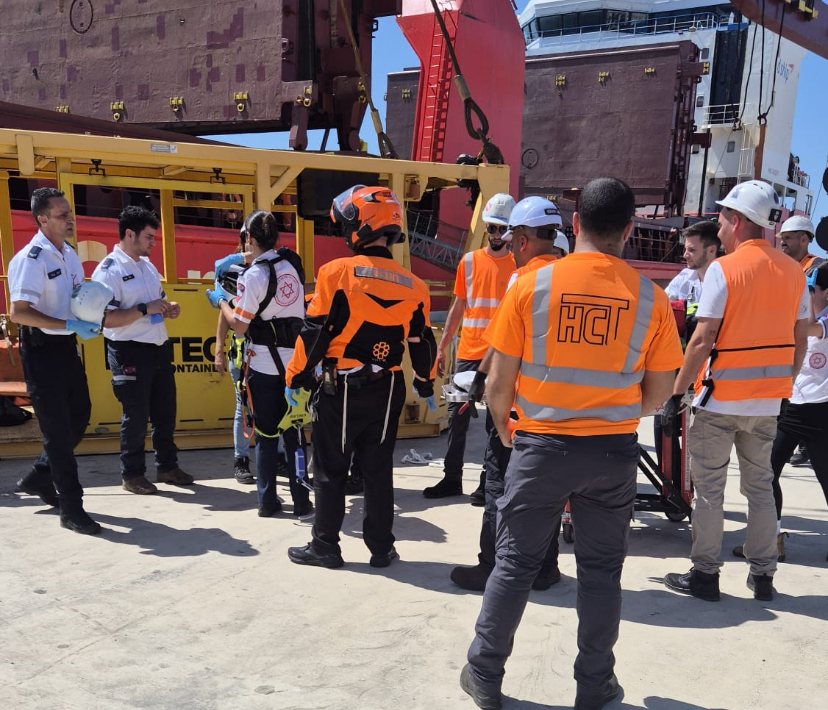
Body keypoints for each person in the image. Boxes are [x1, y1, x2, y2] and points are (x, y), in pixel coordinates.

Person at [460, 178, 683, 710]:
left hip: (540, 447)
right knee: (601, 572)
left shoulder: (530, 286)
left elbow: (499, 382)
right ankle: (594, 683)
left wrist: (508, 427)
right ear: (629, 229)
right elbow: (659, 393)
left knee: (514, 564)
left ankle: (485, 674)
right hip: (612, 452)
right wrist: (614, 412)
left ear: (575, 223)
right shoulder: (650, 298)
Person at [664, 180, 810, 603]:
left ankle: (705, 576)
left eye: (724, 217)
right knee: (760, 488)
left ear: (739, 220)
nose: (720, 226)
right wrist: (784, 382)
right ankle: (763, 576)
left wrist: (677, 392)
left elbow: (702, 338)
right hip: (767, 404)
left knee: (710, 491)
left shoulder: (725, 269)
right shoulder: (793, 272)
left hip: (721, 398)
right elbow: (800, 337)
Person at [286, 185, 437, 568]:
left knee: (330, 470)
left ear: (359, 227)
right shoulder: (415, 286)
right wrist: (425, 382)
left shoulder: (336, 273)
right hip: (388, 389)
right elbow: (422, 342)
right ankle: (382, 549)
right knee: (378, 471)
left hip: (342, 389)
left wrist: (295, 377)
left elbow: (314, 333)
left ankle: (325, 547)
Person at [450, 196, 566, 593]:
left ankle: (490, 565)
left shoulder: (524, 279)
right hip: (559, 410)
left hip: (520, 411)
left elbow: (502, 344)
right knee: (548, 495)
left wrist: (483, 383)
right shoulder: (569, 276)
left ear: (522, 240)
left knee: (499, 487)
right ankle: (546, 569)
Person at [9, 187, 103, 534]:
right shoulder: (32, 258)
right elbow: (19, 312)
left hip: (65, 347)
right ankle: (72, 508)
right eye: (63, 215)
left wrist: (91, 312)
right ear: (42, 219)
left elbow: (75, 297)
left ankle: (39, 475)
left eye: (70, 214)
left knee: (80, 415)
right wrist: (68, 324)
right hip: (41, 350)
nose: (70, 220)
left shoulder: (69, 255)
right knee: (57, 432)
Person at [207, 209, 311, 517]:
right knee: (295, 436)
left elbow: (240, 326)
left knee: (266, 436)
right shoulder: (292, 265)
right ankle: (302, 501)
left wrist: (221, 301)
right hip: (295, 367)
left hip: (264, 368)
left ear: (250, 238)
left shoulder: (253, 276)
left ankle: (267, 502)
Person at [90, 206, 191, 494]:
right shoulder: (108, 271)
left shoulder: (147, 266)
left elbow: (158, 301)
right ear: (129, 234)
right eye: (149, 237)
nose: (153, 242)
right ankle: (132, 474)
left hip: (158, 347)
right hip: (129, 350)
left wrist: (169, 308)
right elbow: (106, 319)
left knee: (165, 412)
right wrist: (146, 309)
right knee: (135, 415)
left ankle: (167, 467)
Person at [732, 262, 828, 562]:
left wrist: (798, 304)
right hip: (792, 408)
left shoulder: (821, 321)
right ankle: (771, 540)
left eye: (811, 289)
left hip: (822, 412)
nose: (805, 294)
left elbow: (807, 328)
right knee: (766, 473)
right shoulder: (807, 314)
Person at [424, 193, 516, 503]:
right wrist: (442, 346)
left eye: (501, 229)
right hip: (469, 352)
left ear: (511, 231)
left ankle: (488, 482)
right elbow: (459, 305)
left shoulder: (517, 267)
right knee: (457, 417)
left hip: (500, 356)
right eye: (491, 228)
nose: (495, 235)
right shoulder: (469, 262)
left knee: (495, 420)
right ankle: (452, 478)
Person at [776, 214, 823, 468]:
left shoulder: (818, 269)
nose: (782, 243)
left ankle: (805, 445)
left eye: (788, 238)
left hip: (813, 344)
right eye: (782, 238)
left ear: (804, 239)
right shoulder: (787, 267)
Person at [213, 231, 256, 484]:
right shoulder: (233, 271)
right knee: (243, 406)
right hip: (242, 355)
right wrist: (219, 349)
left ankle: (280, 458)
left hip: (268, 353)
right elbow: (224, 313)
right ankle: (241, 460)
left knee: (276, 405)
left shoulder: (270, 269)